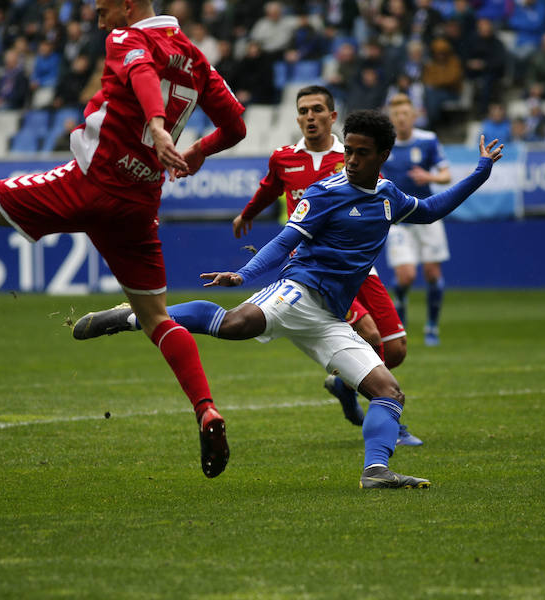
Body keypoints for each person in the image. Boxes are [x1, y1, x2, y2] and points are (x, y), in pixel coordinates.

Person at [0, 0, 248, 477]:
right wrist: (199, 149)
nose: (96, 14)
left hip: (84, 185)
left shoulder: (127, 38)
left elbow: (141, 72)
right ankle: (205, 407)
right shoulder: (196, 59)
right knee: (156, 319)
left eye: (103, 6)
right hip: (139, 204)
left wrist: (159, 128)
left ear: (128, 6)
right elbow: (236, 124)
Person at [163, 110, 501, 487]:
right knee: (234, 324)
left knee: (389, 392)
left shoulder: (388, 196)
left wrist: (479, 173)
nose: (352, 160)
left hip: (331, 318)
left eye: (362, 153)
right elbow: (285, 240)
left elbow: (431, 209)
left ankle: (376, 471)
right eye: (349, 151)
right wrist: (244, 274)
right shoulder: (326, 191)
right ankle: (139, 315)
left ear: (383, 156)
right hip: (301, 291)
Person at [73, 85, 424, 446]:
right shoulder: (285, 157)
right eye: (303, 111)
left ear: (332, 117)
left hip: (362, 268)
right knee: (364, 330)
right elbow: (271, 190)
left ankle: (350, 385)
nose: (309, 117)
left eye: (317, 110)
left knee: (395, 348)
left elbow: (413, 205)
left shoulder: (353, 154)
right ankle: (387, 421)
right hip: (315, 270)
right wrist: (249, 214)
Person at [383, 94, 452, 347]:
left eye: (405, 114)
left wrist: (428, 177)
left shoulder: (428, 140)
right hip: (398, 220)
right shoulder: (384, 143)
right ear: (391, 118)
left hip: (428, 215)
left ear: (414, 116)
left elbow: (446, 175)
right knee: (406, 276)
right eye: (396, 114)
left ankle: (432, 325)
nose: (401, 119)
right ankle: (400, 300)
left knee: (433, 273)